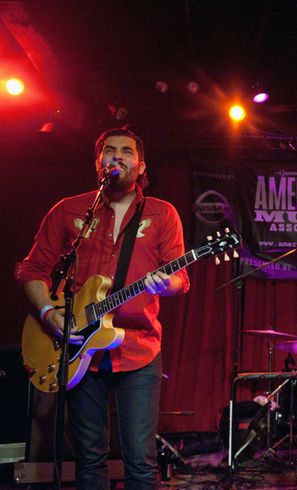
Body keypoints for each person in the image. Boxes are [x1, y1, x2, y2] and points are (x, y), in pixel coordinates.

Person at [19, 128, 190, 489]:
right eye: (109, 151)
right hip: (79, 350)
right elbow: (32, 271)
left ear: (141, 166)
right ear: (98, 163)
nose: (117, 157)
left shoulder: (162, 213)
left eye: (126, 152)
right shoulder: (68, 210)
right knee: (89, 460)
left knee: (140, 463)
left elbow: (181, 278)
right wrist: (50, 315)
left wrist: (166, 281)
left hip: (139, 349)